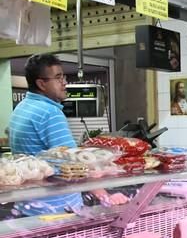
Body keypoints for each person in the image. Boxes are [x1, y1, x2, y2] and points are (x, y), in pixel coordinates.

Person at [9, 54, 127, 216]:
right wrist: (106, 197)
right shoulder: (49, 113)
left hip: (28, 205)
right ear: (41, 83)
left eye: (63, 76)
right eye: (58, 78)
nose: (65, 82)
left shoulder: (22, 107)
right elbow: (76, 166)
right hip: (57, 209)